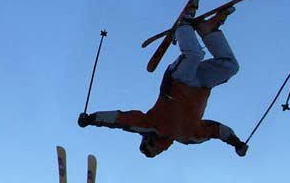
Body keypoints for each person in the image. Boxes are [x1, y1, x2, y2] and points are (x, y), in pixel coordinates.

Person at [80, 9, 248, 157]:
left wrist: (92, 119)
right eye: (156, 152)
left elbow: (120, 120)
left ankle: (183, 26)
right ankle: (208, 31)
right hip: (202, 85)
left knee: (194, 55)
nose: (157, 148)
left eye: (150, 147)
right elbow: (217, 130)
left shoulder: (150, 125)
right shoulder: (189, 136)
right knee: (230, 67)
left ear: (146, 140)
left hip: (178, 81)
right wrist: (236, 143)